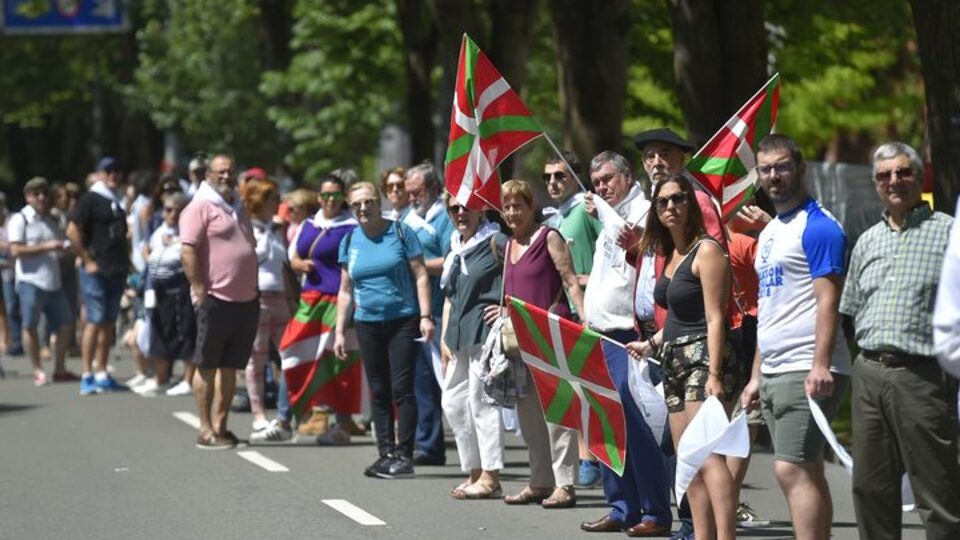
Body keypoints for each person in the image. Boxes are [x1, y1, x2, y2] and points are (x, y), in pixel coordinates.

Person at [840, 141, 960, 540]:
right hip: (869, 372)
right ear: (875, 183)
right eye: (885, 175)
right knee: (871, 489)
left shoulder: (949, 233)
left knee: (938, 491)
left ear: (920, 177)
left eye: (904, 172)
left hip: (923, 377)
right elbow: (851, 310)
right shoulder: (867, 240)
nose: (895, 181)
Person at [740, 134, 850, 540]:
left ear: (801, 169)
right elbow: (769, 307)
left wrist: (820, 365)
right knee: (806, 468)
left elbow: (829, 301)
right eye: (766, 169)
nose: (774, 176)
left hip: (807, 368)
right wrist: (756, 375)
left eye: (783, 166)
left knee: (791, 468)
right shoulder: (771, 231)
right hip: (775, 368)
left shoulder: (820, 227)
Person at [629, 173, 738, 540]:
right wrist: (651, 344)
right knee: (687, 458)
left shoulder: (706, 250)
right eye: (662, 202)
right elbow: (677, 315)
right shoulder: (671, 254)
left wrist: (715, 375)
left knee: (707, 454)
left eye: (678, 198)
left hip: (704, 359)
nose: (670, 206)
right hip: (673, 360)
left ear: (691, 203)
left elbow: (716, 316)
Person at [580, 151, 671, 537]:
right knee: (606, 424)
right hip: (598, 333)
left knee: (636, 425)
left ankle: (655, 511)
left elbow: (652, 263)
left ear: (627, 176)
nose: (602, 188)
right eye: (596, 183)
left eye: (608, 179)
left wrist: (627, 236)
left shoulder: (645, 212)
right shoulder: (607, 217)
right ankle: (621, 506)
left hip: (627, 335)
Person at [333, 181, 434, 479]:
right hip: (367, 323)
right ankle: (385, 453)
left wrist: (425, 316)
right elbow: (345, 290)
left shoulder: (401, 232)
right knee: (378, 390)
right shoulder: (349, 241)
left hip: (403, 320)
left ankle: (404, 456)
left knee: (401, 388)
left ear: (379, 203)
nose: (363, 208)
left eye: (368, 202)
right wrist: (340, 331)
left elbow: (421, 275)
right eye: (356, 204)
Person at [498, 179, 584, 509]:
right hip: (519, 339)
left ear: (531, 206)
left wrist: (585, 321)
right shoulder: (508, 244)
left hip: (551, 335)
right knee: (529, 413)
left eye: (518, 206)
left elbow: (570, 281)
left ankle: (564, 484)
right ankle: (539, 481)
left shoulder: (548, 236)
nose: (512, 212)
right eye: (507, 207)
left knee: (557, 412)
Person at [180, 154, 260, 449]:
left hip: (245, 299)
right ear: (208, 175)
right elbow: (188, 251)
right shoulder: (199, 206)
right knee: (207, 365)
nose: (227, 176)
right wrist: (200, 290)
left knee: (230, 366)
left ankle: (221, 426)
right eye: (221, 172)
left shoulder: (236, 204)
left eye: (231, 171)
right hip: (215, 298)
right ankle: (205, 429)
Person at [539, 151, 604, 487]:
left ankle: (592, 457)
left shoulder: (586, 211)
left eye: (560, 175)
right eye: (547, 177)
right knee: (572, 388)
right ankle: (584, 456)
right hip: (563, 312)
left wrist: (588, 278)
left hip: (592, 310)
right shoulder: (553, 219)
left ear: (574, 178)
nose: (552, 182)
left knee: (588, 389)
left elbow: (613, 250)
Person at [439, 194, 507, 499]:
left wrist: (507, 309)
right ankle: (474, 470)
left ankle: (491, 476)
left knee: (482, 403)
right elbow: (450, 297)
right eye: (454, 208)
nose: (460, 213)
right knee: (453, 403)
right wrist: (444, 337)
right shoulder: (455, 246)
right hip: (457, 336)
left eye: (467, 207)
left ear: (481, 209)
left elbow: (518, 276)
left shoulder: (496, 241)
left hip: (484, 334)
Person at [285, 173, 360, 443]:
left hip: (337, 301)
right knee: (293, 352)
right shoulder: (309, 223)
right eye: (326, 195)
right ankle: (288, 417)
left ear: (343, 198)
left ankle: (342, 423)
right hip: (309, 301)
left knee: (337, 361)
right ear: (318, 197)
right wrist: (297, 263)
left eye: (336, 195)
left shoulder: (352, 226)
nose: (330, 200)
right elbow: (292, 254)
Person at [389, 166, 447, 466]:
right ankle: (428, 444)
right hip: (411, 311)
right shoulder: (405, 220)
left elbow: (453, 258)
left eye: (417, 192)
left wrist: (418, 266)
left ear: (434, 188)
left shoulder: (445, 217)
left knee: (444, 382)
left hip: (441, 309)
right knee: (419, 382)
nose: (411, 197)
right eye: (408, 192)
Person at [67, 156, 130, 395]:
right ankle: (87, 374)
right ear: (100, 174)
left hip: (116, 269)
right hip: (96, 270)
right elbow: (72, 230)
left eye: (116, 170)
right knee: (94, 320)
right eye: (108, 171)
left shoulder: (116, 200)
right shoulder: (91, 199)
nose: (113, 174)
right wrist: (87, 259)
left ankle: (102, 372)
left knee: (108, 322)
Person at [7, 177, 77, 385]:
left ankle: (59, 369)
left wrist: (63, 249)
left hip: (53, 281)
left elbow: (58, 246)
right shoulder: (20, 219)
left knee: (66, 323)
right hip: (30, 281)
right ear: (28, 197)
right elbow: (15, 250)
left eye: (45, 193)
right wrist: (47, 247)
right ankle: (37, 369)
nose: (41, 198)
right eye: (36, 194)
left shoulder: (51, 220)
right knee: (30, 325)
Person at [240, 177, 293, 442]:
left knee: (289, 356)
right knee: (257, 359)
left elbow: (285, 266)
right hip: (257, 298)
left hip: (281, 298)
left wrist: (292, 298)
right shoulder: (246, 228)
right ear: (259, 201)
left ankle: (288, 413)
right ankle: (258, 413)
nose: (278, 203)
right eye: (273, 199)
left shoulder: (279, 228)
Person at [136, 192, 195, 397]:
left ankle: (188, 380)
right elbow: (148, 250)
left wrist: (175, 243)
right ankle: (159, 378)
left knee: (185, 334)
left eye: (176, 211)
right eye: (168, 210)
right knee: (159, 334)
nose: (171, 215)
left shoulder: (186, 232)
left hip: (179, 290)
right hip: (158, 290)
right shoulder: (159, 231)